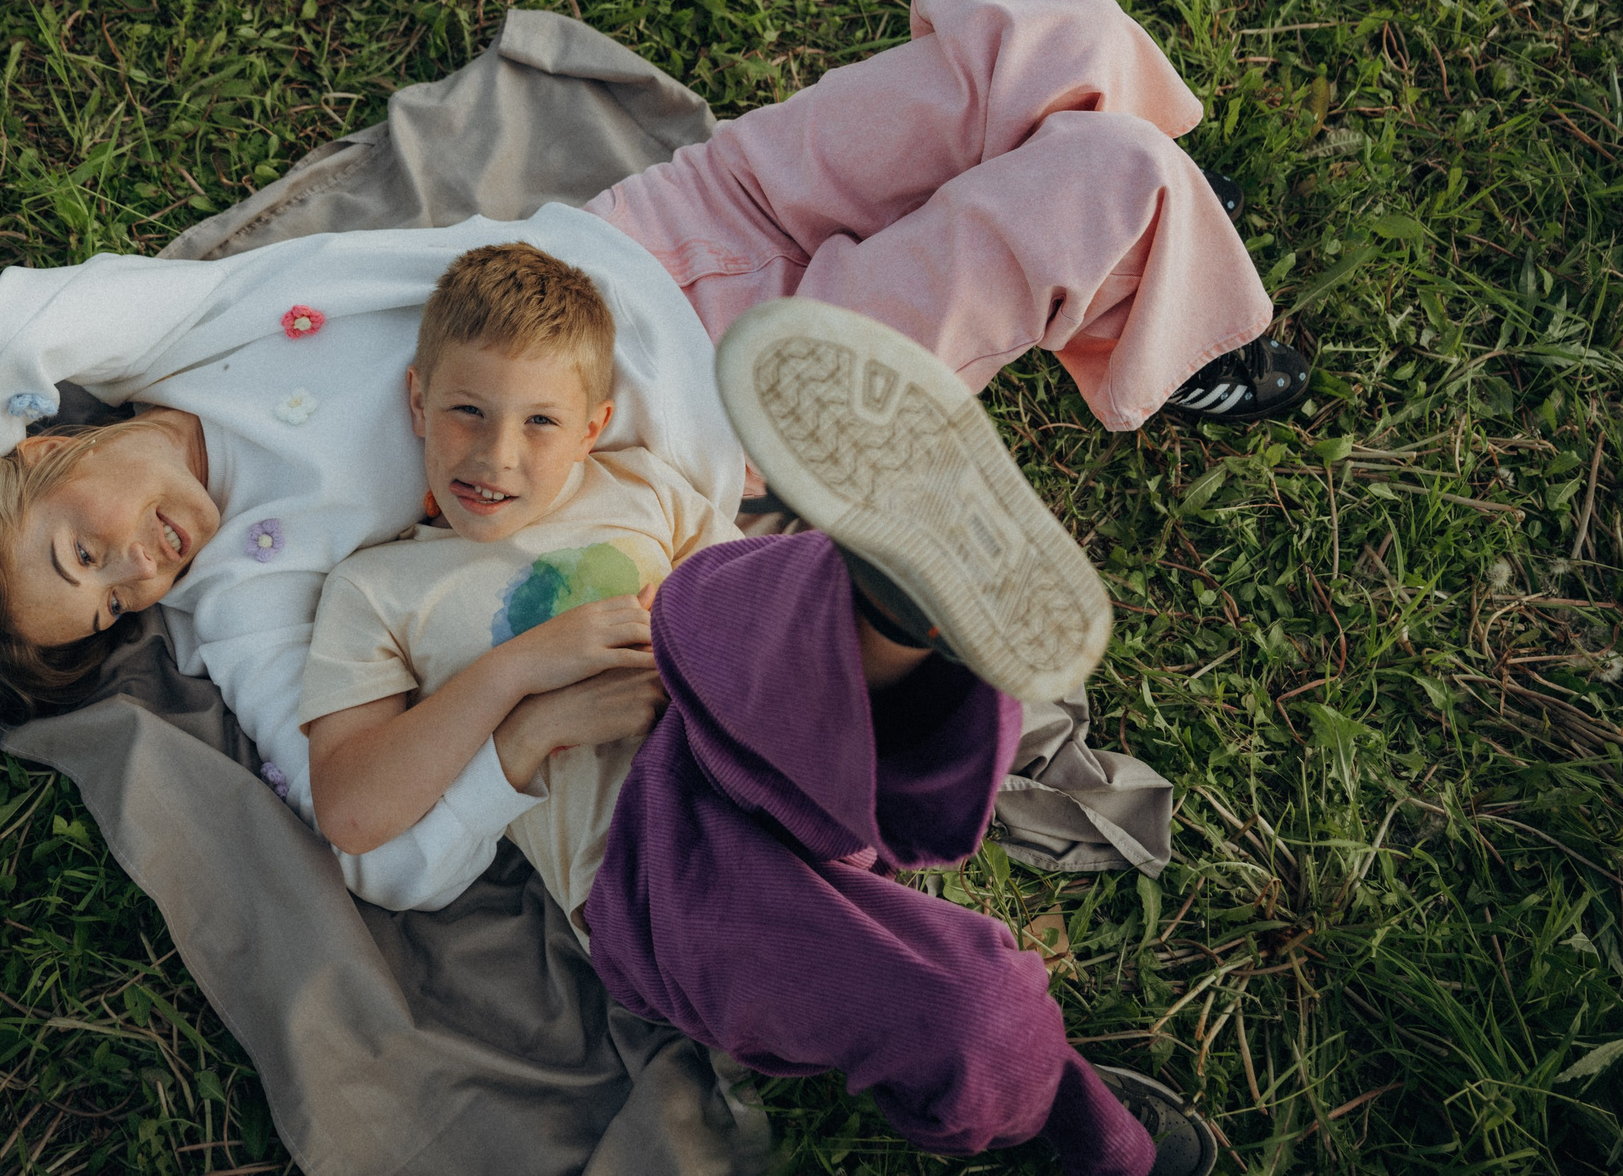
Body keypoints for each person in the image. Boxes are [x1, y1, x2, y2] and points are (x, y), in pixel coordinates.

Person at [0, 0, 1300, 909]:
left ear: (38, 449)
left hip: (665, 223)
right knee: (1094, 178)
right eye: (111, 602)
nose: (137, 568)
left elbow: (1, 329)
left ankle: (1161, 264)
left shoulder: (172, 327)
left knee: (1048, 36)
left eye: (80, 545)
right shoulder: (246, 589)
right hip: (739, 400)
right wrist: (523, 724)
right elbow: (379, 842)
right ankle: (1174, 306)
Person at [298, 247, 1214, 1175]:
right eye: (466, 411)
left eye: (540, 420)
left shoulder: (641, 487)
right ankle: (1079, 1123)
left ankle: (895, 601)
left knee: (720, 597)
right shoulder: (376, 589)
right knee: (973, 1010)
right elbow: (352, 807)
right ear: (417, 402)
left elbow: (759, 641)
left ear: (594, 427)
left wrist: (701, 633)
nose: (497, 454)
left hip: (750, 735)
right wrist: (529, 674)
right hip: (643, 871)